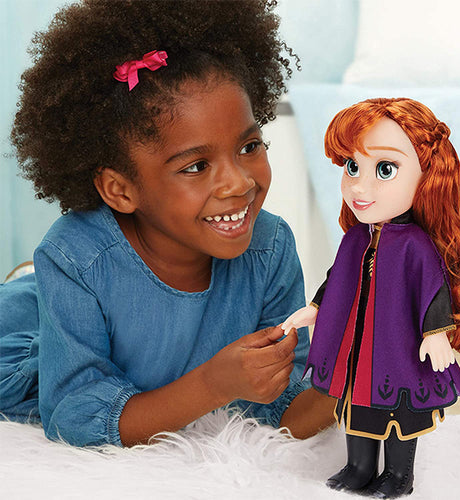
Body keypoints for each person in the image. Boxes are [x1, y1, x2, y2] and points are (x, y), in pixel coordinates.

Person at [0, 0, 336, 448]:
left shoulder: (270, 248)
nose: (239, 183)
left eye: (249, 146)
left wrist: (359, 372)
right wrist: (213, 385)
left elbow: (282, 404)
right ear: (121, 190)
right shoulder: (75, 257)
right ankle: (30, 283)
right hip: (24, 333)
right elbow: (74, 417)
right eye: (196, 166)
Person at [282, 98, 460, 498]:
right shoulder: (356, 238)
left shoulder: (416, 246)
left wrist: (436, 333)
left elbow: (433, 289)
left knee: (398, 413)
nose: (359, 186)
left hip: (398, 350)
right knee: (355, 405)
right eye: (352, 166)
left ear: (427, 177)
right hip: (358, 350)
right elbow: (339, 279)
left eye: (385, 169)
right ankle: (358, 467)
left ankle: (398, 475)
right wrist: (315, 308)